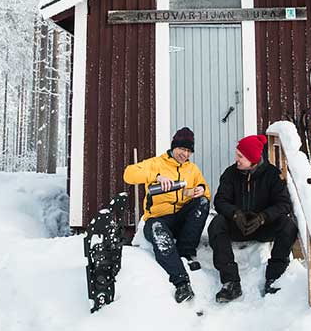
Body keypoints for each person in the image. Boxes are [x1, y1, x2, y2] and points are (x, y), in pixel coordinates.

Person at [123, 126, 211, 303]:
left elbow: (205, 190)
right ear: (173, 147)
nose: (184, 154)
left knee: (203, 202)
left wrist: (199, 190)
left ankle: (186, 252)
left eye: (188, 151)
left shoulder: (192, 169)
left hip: (180, 219)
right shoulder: (156, 163)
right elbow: (129, 174)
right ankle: (181, 282)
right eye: (182, 149)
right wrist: (156, 177)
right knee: (157, 228)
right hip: (158, 220)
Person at [208, 133, 297, 302]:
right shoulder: (230, 173)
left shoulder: (272, 175)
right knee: (216, 224)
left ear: (252, 159)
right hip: (238, 225)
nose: (237, 159)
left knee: (288, 225)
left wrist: (263, 217)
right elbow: (220, 201)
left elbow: (283, 204)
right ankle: (230, 282)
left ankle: (274, 277)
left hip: (263, 226)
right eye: (237, 154)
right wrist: (235, 214)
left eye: (241, 156)